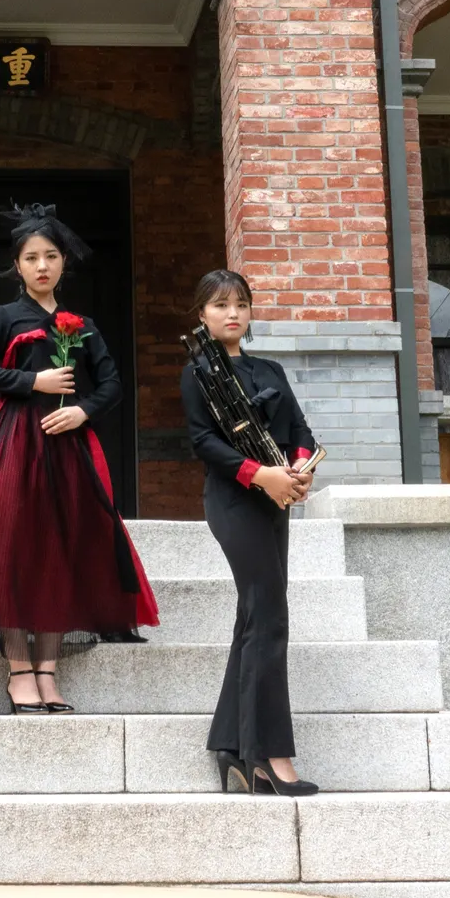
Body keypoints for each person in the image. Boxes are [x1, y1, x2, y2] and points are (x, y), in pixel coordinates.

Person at [0, 204, 158, 714]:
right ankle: (19, 670)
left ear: (64, 262)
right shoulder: (4, 317)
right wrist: (32, 381)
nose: (42, 266)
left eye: (51, 256)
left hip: (66, 450)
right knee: (11, 552)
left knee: (58, 554)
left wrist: (83, 411)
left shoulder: (81, 324)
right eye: (31, 258)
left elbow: (111, 384)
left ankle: (48, 670)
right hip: (12, 447)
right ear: (17, 266)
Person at [182, 268, 320, 797]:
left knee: (255, 615)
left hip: (276, 500)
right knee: (270, 617)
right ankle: (269, 752)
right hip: (235, 501)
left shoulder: (270, 369)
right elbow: (204, 442)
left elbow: (300, 429)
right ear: (202, 314)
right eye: (220, 305)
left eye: (240, 303)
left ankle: (232, 745)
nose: (232, 313)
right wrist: (260, 474)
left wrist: (300, 469)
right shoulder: (198, 372)